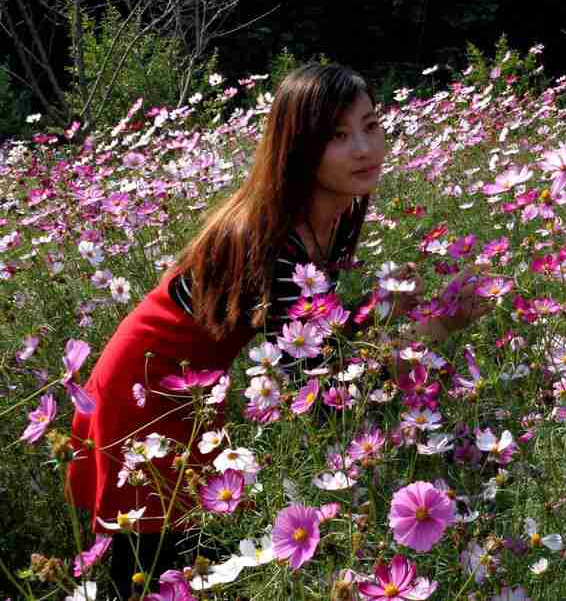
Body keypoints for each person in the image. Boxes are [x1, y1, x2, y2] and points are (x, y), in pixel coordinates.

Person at [66, 63, 491, 599]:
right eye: (337, 135)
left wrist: (386, 310)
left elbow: (321, 333)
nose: (364, 147)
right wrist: (438, 325)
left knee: (190, 568)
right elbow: (321, 383)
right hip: (146, 396)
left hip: (188, 387)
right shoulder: (275, 244)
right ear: (298, 147)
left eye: (370, 124)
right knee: (152, 572)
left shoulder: (324, 215)